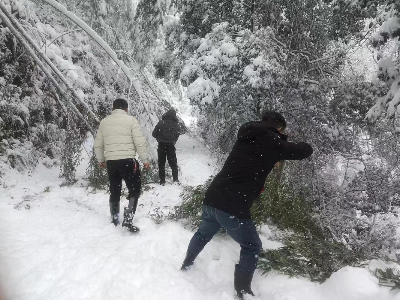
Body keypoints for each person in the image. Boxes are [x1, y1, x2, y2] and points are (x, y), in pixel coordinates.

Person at [180, 111, 313, 299]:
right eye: (282, 130)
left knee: (202, 234)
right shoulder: (271, 140)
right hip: (232, 205)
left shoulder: (246, 136)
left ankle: (186, 265)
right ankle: (243, 291)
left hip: (212, 197)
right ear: (277, 127)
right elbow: (304, 151)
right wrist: (296, 143)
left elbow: (256, 157)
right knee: (252, 246)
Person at [94, 98, 150, 233]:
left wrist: (101, 159)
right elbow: (139, 142)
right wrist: (145, 160)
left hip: (111, 162)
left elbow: (98, 144)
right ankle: (128, 219)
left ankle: (114, 218)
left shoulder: (104, 122)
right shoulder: (131, 120)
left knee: (115, 189)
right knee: (134, 189)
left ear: (113, 109)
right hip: (128, 162)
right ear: (126, 109)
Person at [152, 108, 186, 185]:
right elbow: (177, 136)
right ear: (174, 116)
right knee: (173, 163)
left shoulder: (161, 123)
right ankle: (175, 180)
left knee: (161, 164)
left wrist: (159, 138)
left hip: (161, 145)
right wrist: (172, 140)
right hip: (171, 146)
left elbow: (154, 134)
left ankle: (162, 181)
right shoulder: (176, 125)